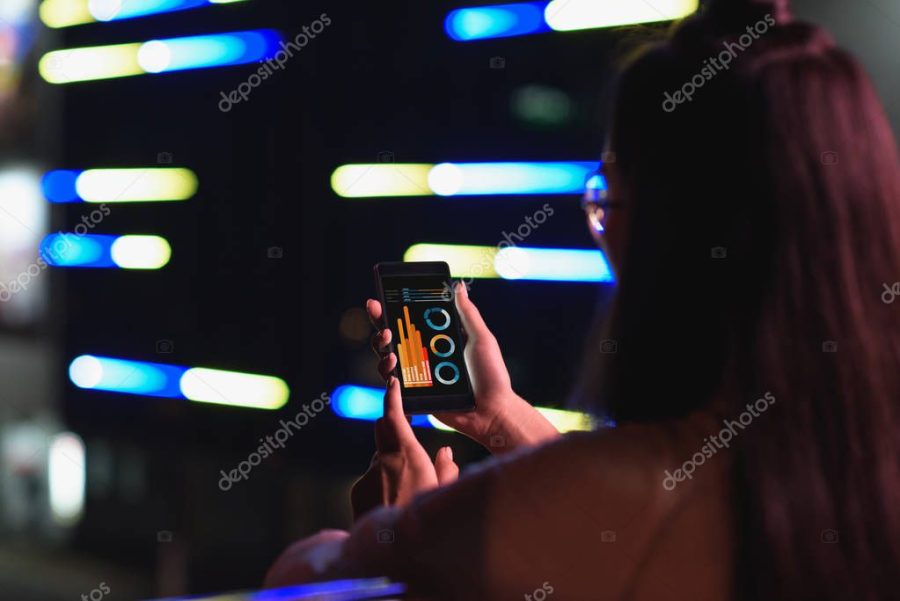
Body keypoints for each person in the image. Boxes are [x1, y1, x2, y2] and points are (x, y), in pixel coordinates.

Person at [265, 0, 900, 598]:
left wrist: (399, 528)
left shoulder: (576, 504)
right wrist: (503, 418)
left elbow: (299, 577)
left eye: (607, 201)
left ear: (663, 237)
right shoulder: (856, 470)